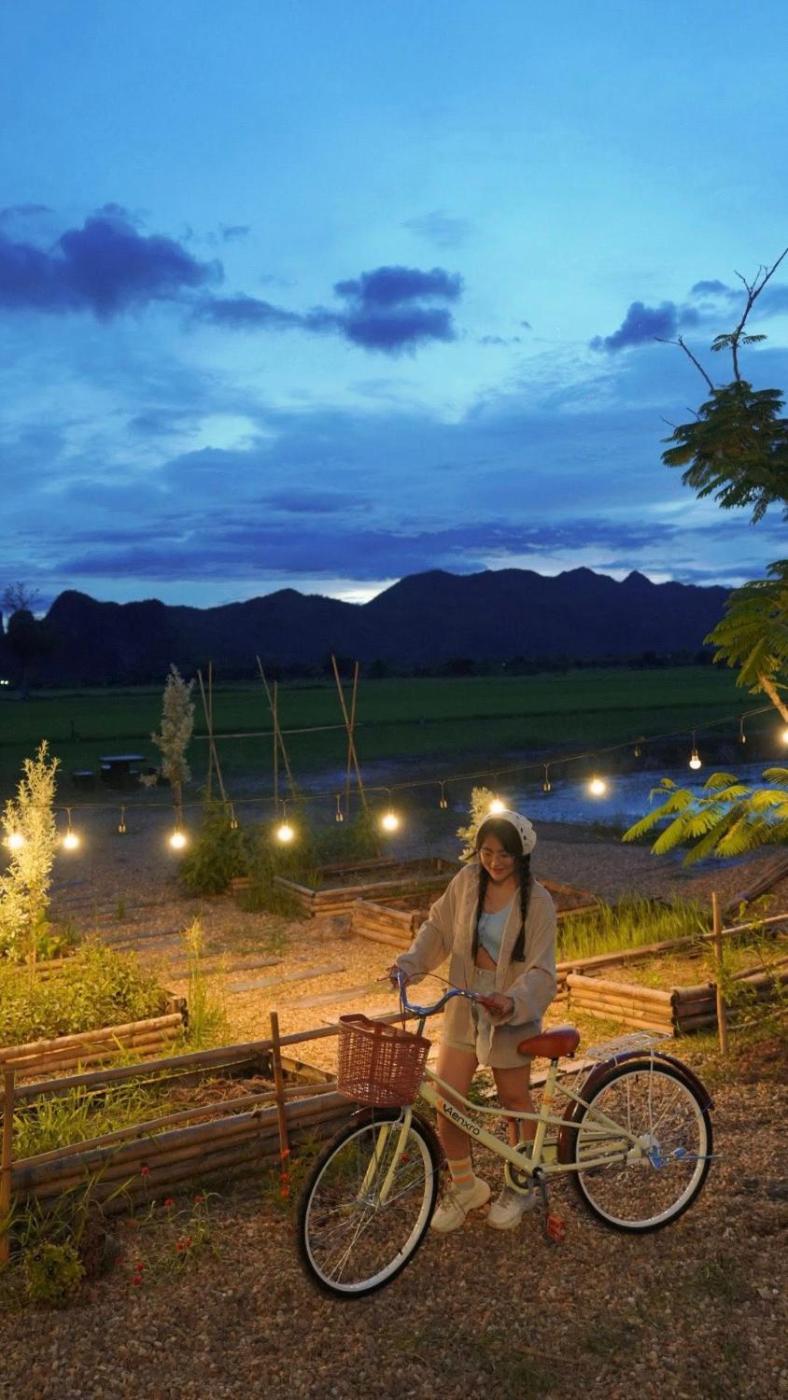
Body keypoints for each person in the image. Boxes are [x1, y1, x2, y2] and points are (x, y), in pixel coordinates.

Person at [391, 809, 557, 1233]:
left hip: (510, 1006)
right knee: (447, 1098)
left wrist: (512, 1001)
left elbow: (542, 970)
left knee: (514, 1100)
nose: (494, 862)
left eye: (504, 854)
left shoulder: (538, 901)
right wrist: (408, 966)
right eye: (486, 852)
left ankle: (520, 1185)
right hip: (465, 999)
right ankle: (465, 1186)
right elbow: (438, 929)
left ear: (521, 855)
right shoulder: (466, 881)